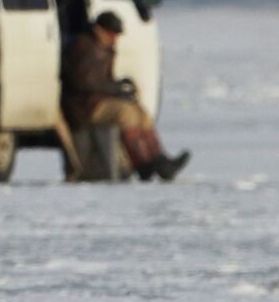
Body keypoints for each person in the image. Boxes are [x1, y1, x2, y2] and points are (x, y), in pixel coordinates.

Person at [61, 11, 190, 181]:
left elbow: (102, 80)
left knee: (141, 113)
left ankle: (158, 159)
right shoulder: (83, 46)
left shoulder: (104, 48)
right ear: (100, 30)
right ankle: (141, 162)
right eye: (112, 34)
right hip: (83, 106)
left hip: (96, 100)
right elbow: (83, 82)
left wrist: (121, 85)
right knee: (126, 114)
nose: (115, 38)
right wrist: (115, 89)